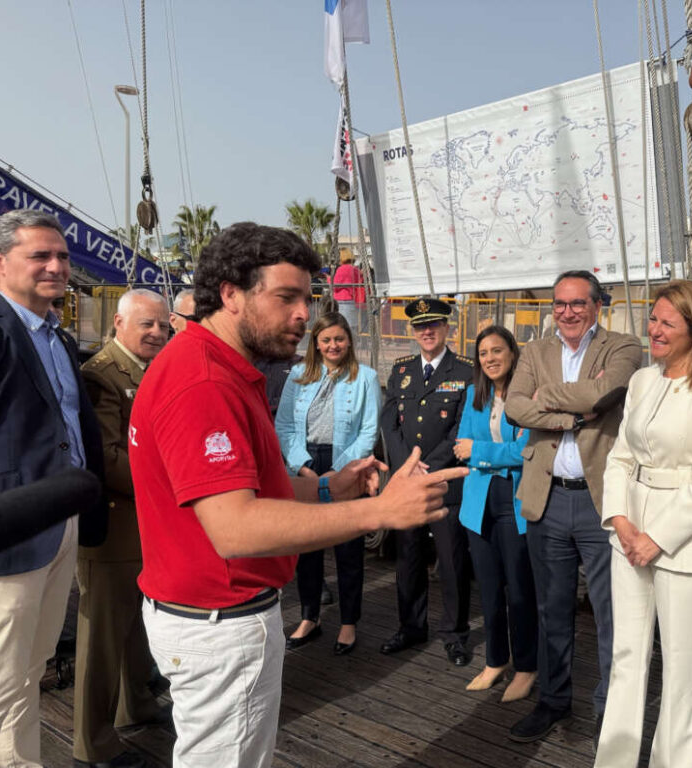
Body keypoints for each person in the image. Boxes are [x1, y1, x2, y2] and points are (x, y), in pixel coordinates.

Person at [128, 222, 465, 768]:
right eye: (286, 297)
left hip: (208, 612)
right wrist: (379, 510)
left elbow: (252, 487)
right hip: (221, 621)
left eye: (307, 298)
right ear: (233, 294)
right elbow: (236, 528)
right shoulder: (206, 383)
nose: (305, 314)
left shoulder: (214, 365)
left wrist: (330, 486)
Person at [594, 280, 692, 767]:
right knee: (626, 658)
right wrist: (623, 525)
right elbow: (620, 457)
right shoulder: (642, 380)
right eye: (653, 318)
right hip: (629, 534)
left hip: (688, 545)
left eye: (665, 322)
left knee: (681, 673)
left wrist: (656, 539)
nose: (653, 330)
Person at [504, 270, 642, 744]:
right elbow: (515, 407)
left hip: (600, 502)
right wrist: (576, 415)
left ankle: (610, 711)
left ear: (597, 306)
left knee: (611, 614)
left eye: (577, 304)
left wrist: (554, 400)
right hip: (547, 497)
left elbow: (603, 392)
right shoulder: (535, 351)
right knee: (552, 611)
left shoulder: (622, 347)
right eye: (560, 304)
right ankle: (553, 700)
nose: (567, 312)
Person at [0, 209, 106, 768]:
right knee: (5, 678)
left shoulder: (57, 338)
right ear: (1, 263)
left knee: (32, 668)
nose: (56, 265)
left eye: (62, 256)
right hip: (13, 531)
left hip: (61, 525)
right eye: (39, 255)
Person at [73, 289, 172, 768]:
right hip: (114, 526)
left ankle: (137, 703)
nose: (157, 333)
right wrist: (170, 489)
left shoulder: (148, 370)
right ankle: (92, 744)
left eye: (163, 326)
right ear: (118, 322)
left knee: (137, 628)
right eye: (147, 325)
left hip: (145, 526)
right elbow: (107, 457)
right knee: (102, 640)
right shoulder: (101, 376)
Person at [276, 311, 380, 655]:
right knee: (308, 546)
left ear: (348, 340)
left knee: (348, 548)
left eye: (338, 339)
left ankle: (349, 621)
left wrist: (339, 472)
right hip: (306, 464)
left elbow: (368, 432)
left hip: (345, 463)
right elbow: (285, 427)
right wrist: (304, 468)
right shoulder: (297, 378)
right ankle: (310, 615)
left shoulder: (365, 378)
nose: (333, 345)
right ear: (315, 344)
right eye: (326, 340)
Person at [379, 297, 475, 666]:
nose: (427, 331)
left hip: (445, 481)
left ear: (446, 328)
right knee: (409, 556)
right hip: (407, 481)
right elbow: (390, 423)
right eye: (420, 326)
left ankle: (455, 633)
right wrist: (407, 468)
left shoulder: (465, 371)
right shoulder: (402, 370)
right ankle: (411, 626)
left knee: (451, 561)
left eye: (434, 325)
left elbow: (460, 428)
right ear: (412, 331)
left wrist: (426, 469)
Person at [454, 325, 537, 702]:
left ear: (512, 353)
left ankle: (526, 665)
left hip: (515, 502)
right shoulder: (474, 395)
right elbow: (460, 447)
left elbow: (526, 451)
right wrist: (483, 452)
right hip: (480, 502)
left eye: (496, 350)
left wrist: (482, 452)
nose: (489, 358)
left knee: (519, 588)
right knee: (488, 588)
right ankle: (495, 659)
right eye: (483, 352)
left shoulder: (529, 395)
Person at [331, 249, 365, 334]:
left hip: (341, 300)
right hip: (352, 300)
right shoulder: (355, 269)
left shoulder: (341, 269)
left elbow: (335, 286)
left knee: (342, 325)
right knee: (351, 325)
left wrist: (328, 279)